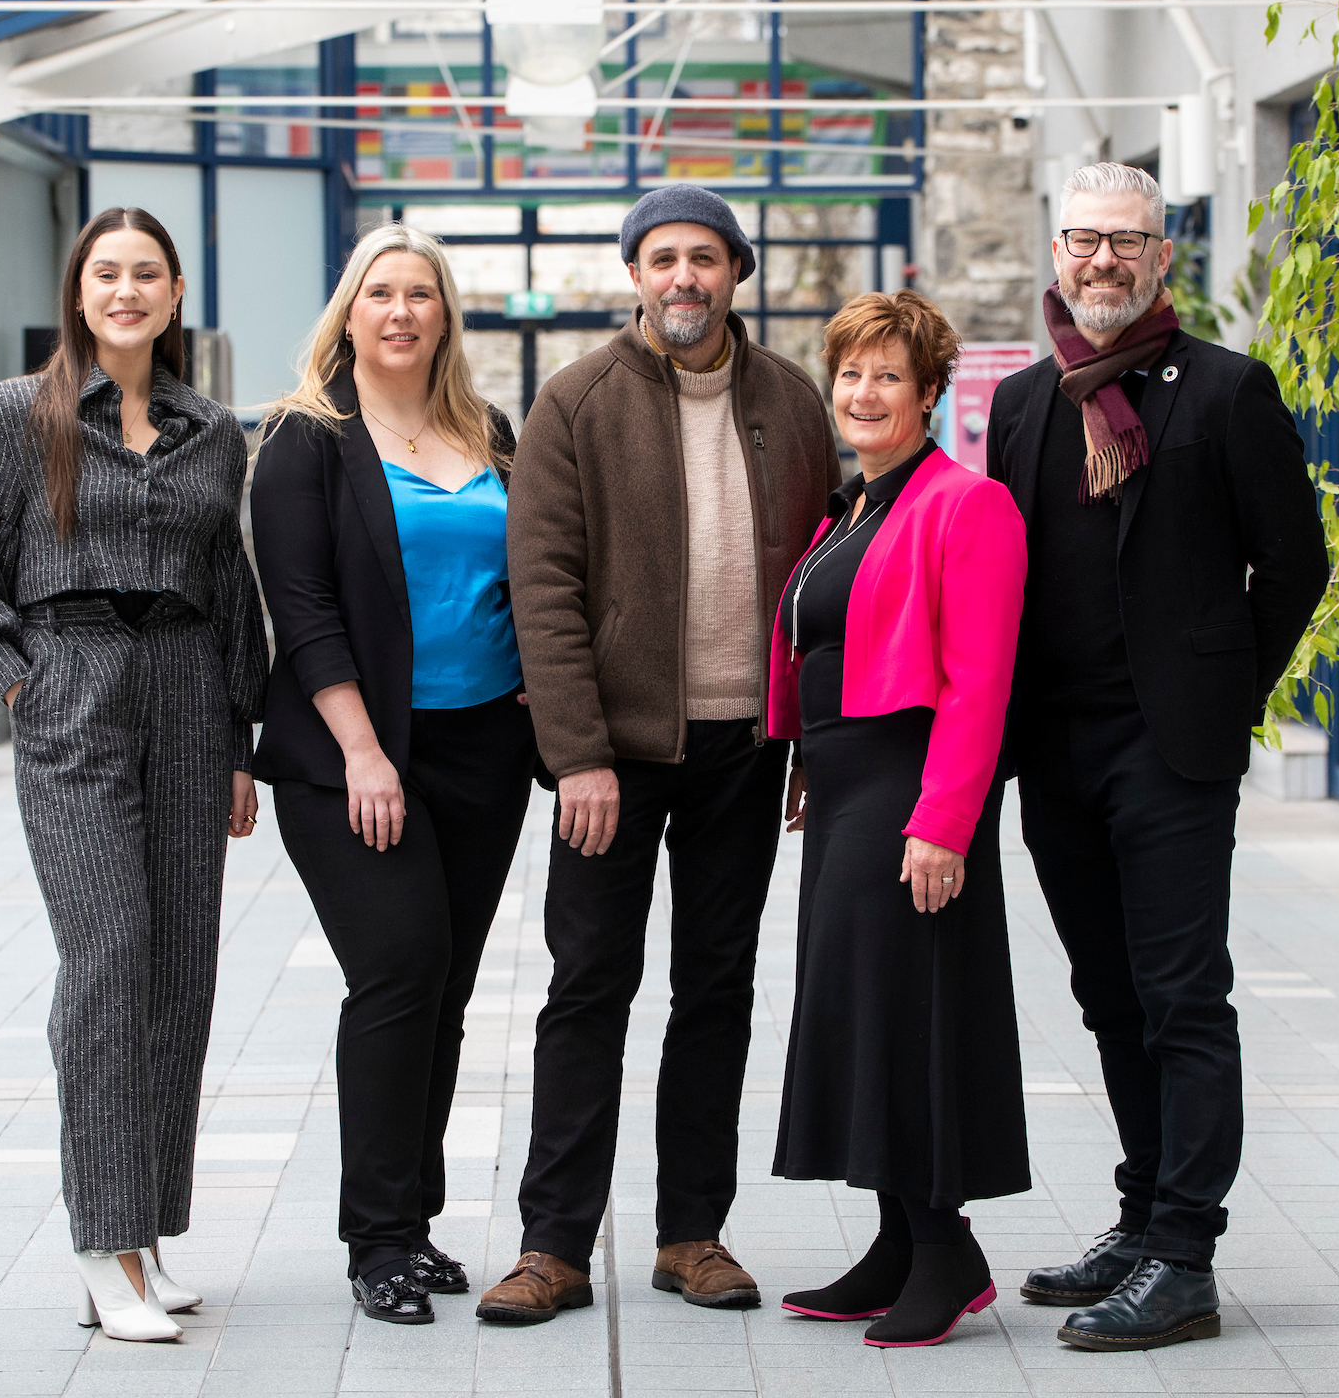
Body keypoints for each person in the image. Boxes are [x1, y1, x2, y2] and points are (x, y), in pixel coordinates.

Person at [480, 185, 838, 1324]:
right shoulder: (575, 400)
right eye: (662, 258)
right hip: (614, 761)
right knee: (588, 989)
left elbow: (829, 583)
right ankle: (553, 1247)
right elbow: (539, 587)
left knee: (717, 991)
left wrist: (809, 746)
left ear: (737, 270)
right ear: (634, 274)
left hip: (745, 745)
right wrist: (576, 753)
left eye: (705, 258)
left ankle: (693, 1233)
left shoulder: (791, 397)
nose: (683, 277)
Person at [987, 161, 1326, 1352]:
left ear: (1161, 259)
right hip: (1058, 749)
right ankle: (1140, 1217)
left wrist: (1225, 697)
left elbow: (1295, 568)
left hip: (1170, 751)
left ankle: (1186, 1256)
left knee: (1183, 997)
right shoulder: (1026, 404)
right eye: (1084, 241)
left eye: (1126, 243)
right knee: (1107, 995)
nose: (1102, 262)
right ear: (1058, 250)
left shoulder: (1226, 393)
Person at [0, 206, 266, 1343]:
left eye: (147, 274)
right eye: (107, 273)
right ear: (80, 291)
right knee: (109, 955)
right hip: (73, 685)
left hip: (185, 689)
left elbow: (233, 590)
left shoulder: (214, 429)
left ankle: (146, 1233)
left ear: (173, 295)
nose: (126, 291)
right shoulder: (19, 416)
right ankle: (98, 1243)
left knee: (179, 967)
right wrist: (21, 676)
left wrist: (235, 743)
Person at [250, 224, 535, 1327]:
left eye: (423, 294)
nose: (403, 311)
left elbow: (524, 575)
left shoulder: (487, 431)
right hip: (352, 757)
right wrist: (365, 750)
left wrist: (534, 694)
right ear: (350, 312)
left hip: (483, 749)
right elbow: (305, 609)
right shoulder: (303, 438)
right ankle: (377, 1238)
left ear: (445, 315)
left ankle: (413, 1219)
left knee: (447, 991)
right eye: (383, 293)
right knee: (400, 970)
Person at [767, 291, 1030, 1349]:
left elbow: (981, 679)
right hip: (841, 783)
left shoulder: (969, 506)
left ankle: (946, 1249)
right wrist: (799, 763)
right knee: (862, 1011)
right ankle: (893, 1243)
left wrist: (945, 822)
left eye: (888, 376)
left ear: (929, 393)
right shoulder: (851, 508)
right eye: (851, 374)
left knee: (911, 1011)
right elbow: (819, 651)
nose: (864, 392)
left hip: (913, 786)